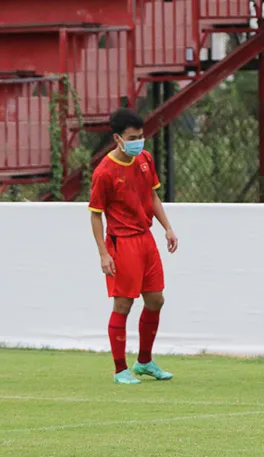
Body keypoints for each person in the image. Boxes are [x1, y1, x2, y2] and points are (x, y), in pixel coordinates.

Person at [88, 108, 178, 384]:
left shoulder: (145, 159)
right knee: (123, 304)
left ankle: (144, 361)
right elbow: (95, 213)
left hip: (146, 239)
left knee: (156, 300)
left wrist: (168, 228)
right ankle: (119, 370)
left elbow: (152, 195)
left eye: (141, 136)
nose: (139, 142)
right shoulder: (104, 172)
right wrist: (104, 253)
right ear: (117, 138)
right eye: (133, 137)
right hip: (122, 242)